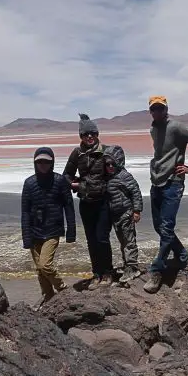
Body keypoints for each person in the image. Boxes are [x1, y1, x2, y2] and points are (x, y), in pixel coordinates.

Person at [143, 95, 188, 294]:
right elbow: (162, 154)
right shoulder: (153, 129)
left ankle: (157, 271)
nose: (157, 111)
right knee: (159, 226)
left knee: (166, 228)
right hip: (156, 182)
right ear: (150, 111)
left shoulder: (176, 127)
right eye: (154, 109)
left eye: (160, 108)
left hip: (173, 183)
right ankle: (182, 257)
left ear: (166, 109)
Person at [21, 147, 76, 310]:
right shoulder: (29, 183)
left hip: (53, 229)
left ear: (52, 162)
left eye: (46, 161)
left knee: (45, 264)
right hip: (34, 230)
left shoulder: (59, 181)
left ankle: (62, 288)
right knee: (39, 269)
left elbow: (68, 206)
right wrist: (26, 236)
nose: (43, 165)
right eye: (40, 162)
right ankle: (48, 295)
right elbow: (24, 212)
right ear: (35, 163)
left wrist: (71, 230)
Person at [64, 114, 114, 290]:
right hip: (86, 203)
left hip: (102, 202)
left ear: (97, 134)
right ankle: (96, 274)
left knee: (102, 238)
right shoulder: (77, 153)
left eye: (92, 133)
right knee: (91, 240)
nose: (89, 137)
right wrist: (75, 184)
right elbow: (67, 174)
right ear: (81, 137)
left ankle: (108, 272)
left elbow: (116, 174)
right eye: (86, 134)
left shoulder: (106, 151)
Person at [103, 145, 143, 283]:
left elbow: (136, 192)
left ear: (118, 162)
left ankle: (132, 267)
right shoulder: (107, 177)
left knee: (128, 241)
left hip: (126, 213)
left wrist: (136, 211)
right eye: (106, 164)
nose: (109, 166)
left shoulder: (124, 176)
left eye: (112, 163)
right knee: (122, 241)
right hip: (115, 215)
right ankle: (127, 264)